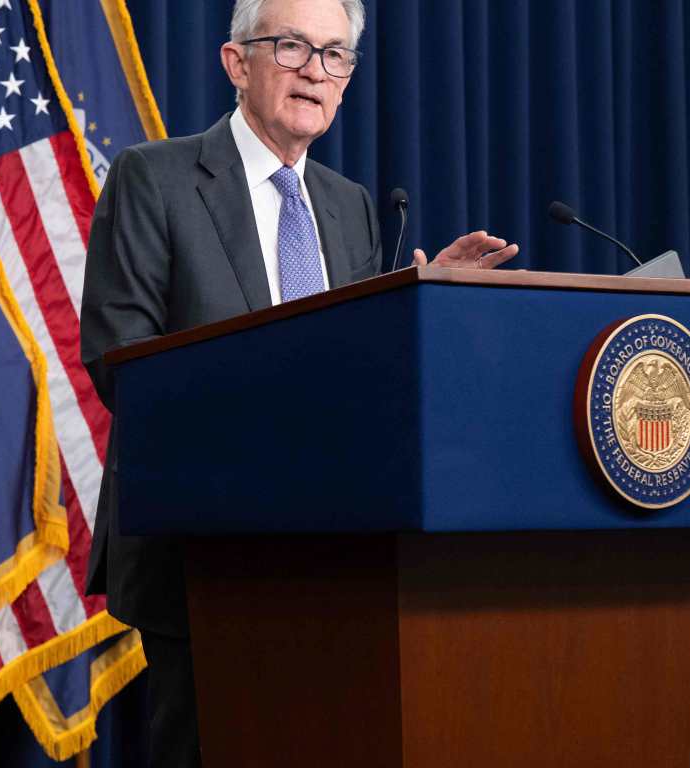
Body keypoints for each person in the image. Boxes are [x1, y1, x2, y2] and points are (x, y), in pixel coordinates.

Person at [79, 0, 520, 765]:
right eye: (290, 47)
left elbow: (354, 376)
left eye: (334, 55)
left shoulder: (349, 207)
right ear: (236, 62)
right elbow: (124, 363)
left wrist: (416, 306)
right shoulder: (154, 178)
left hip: (339, 556)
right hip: (206, 551)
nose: (315, 70)